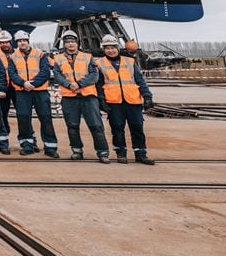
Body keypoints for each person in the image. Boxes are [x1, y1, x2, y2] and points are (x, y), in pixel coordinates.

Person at [50, 30, 111, 163]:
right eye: (68, 42)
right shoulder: (58, 59)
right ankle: (77, 151)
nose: (70, 44)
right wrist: (69, 85)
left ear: (77, 43)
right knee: (72, 125)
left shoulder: (88, 57)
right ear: (64, 44)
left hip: (88, 96)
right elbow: (57, 75)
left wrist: (79, 84)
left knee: (96, 125)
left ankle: (103, 152)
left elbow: (94, 75)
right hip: (69, 97)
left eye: (73, 41)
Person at [96, 35, 155, 164]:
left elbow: (140, 80)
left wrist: (147, 96)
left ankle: (141, 154)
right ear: (104, 50)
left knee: (137, 127)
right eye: (107, 48)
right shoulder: (99, 63)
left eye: (113, 48)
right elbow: (99, 85)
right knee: (117, 128)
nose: (110, 50)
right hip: (114, 102)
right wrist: (101, 100)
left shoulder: (130, 61)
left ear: (117, 48)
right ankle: (121, 153)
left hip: (132, 100)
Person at [7, 30, 59, 158]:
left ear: (28, 41)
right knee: (23, 118)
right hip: (22, 92)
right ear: (16, 43)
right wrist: (23, 83)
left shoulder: (40, 54)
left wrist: (33, 84)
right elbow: (12, 74)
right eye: (20, 41)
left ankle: (50, 147)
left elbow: (45, 71)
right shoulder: (13, 57)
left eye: (24, 40)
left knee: (45, 118)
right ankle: (27, 145)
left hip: (40, 91)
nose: (22, 43)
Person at [0, 30, 15, 139]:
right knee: (2, 112)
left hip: (17, 87)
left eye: (6, 42)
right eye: (2, 42)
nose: (4, 44)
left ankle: (29, 138)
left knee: (23, 113)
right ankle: (4, 134)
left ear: (10, 42)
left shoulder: (17, 53)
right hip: (3, 87)